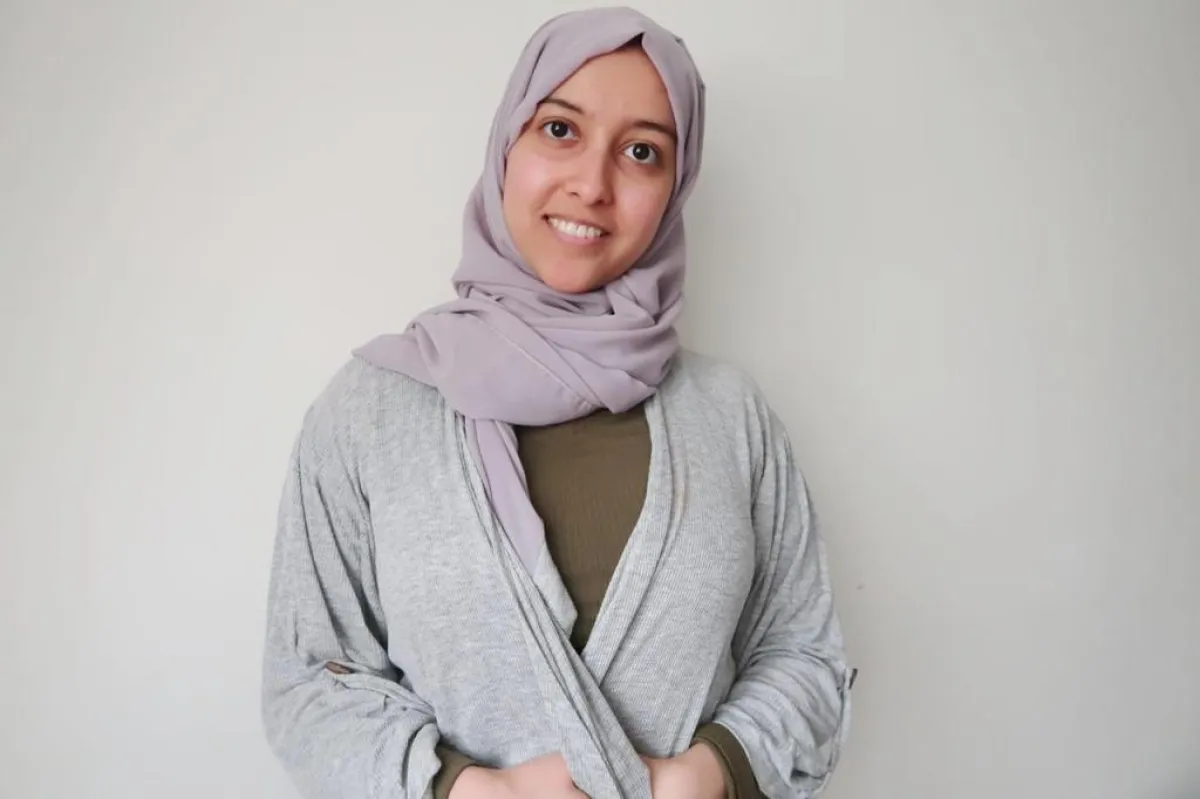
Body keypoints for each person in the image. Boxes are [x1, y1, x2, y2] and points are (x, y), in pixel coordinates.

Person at [261, 7, 853, 799]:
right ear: (508, 143)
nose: (593, 184)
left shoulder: (730, 415)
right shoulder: (370, 409)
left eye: (642, 151)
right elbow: (308, 681)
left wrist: (706, 772)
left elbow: (805, 653)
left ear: (676, 186)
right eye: (560, 130)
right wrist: (470, 790)